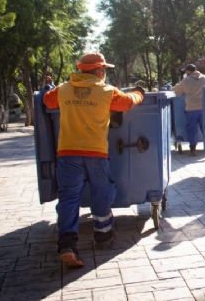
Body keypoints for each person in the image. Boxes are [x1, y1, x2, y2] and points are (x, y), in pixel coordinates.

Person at [43, 52, 144, 268]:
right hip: (95, 153)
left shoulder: (64, 89)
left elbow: (47, 101)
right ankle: (103, 233)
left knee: (69, 197)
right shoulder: (105, 91)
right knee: (103, 190)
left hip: (68, 152)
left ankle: (67, 244)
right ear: (99, 71)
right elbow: (127, 104)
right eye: (104, 69)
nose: (104, 73)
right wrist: (139, 93)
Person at [173, 64, 205, 156]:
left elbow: (176, 91)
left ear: (188, 71)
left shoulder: (186, 81)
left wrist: (176, 85)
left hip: (191, 108)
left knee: (192, 129)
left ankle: (193, 149)